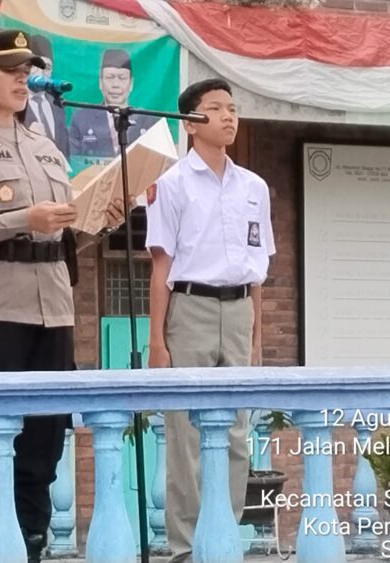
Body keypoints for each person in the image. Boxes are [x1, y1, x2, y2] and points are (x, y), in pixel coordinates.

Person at [0, 28, 126, 563]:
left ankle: (32, 548)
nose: (22, 79)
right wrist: (22, 218)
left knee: (43, 444)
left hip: (52, 310)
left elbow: (58, 234)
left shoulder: (46, 149)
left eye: (26, 70)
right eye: (11, 70)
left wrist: (101, 217)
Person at [145, 78, 275, 562]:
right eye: (215, 108)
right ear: (192, 122)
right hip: (191, 308)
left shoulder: (254, 187)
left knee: (238, 434)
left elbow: (258, 268)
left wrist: (257, 335)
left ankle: (222, 541)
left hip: (240, 309)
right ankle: (184, 550)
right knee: (186, 439)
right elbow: (161, 268)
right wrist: (157, 341)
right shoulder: (172, 185)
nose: (228, 116)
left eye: (232, 108)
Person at [68, 48, 157, 160]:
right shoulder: (81, 119)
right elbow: (73, 161)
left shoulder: (147, 121)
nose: (115, 85)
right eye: (110, 78)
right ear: (100, 82)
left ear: (131, 84)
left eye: (122, 78)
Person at [24, 34, 70, 159]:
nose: (40, 73)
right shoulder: (15, 104)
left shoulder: (57, 105)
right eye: (35, 66)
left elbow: (64, 149)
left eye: (47, 68)